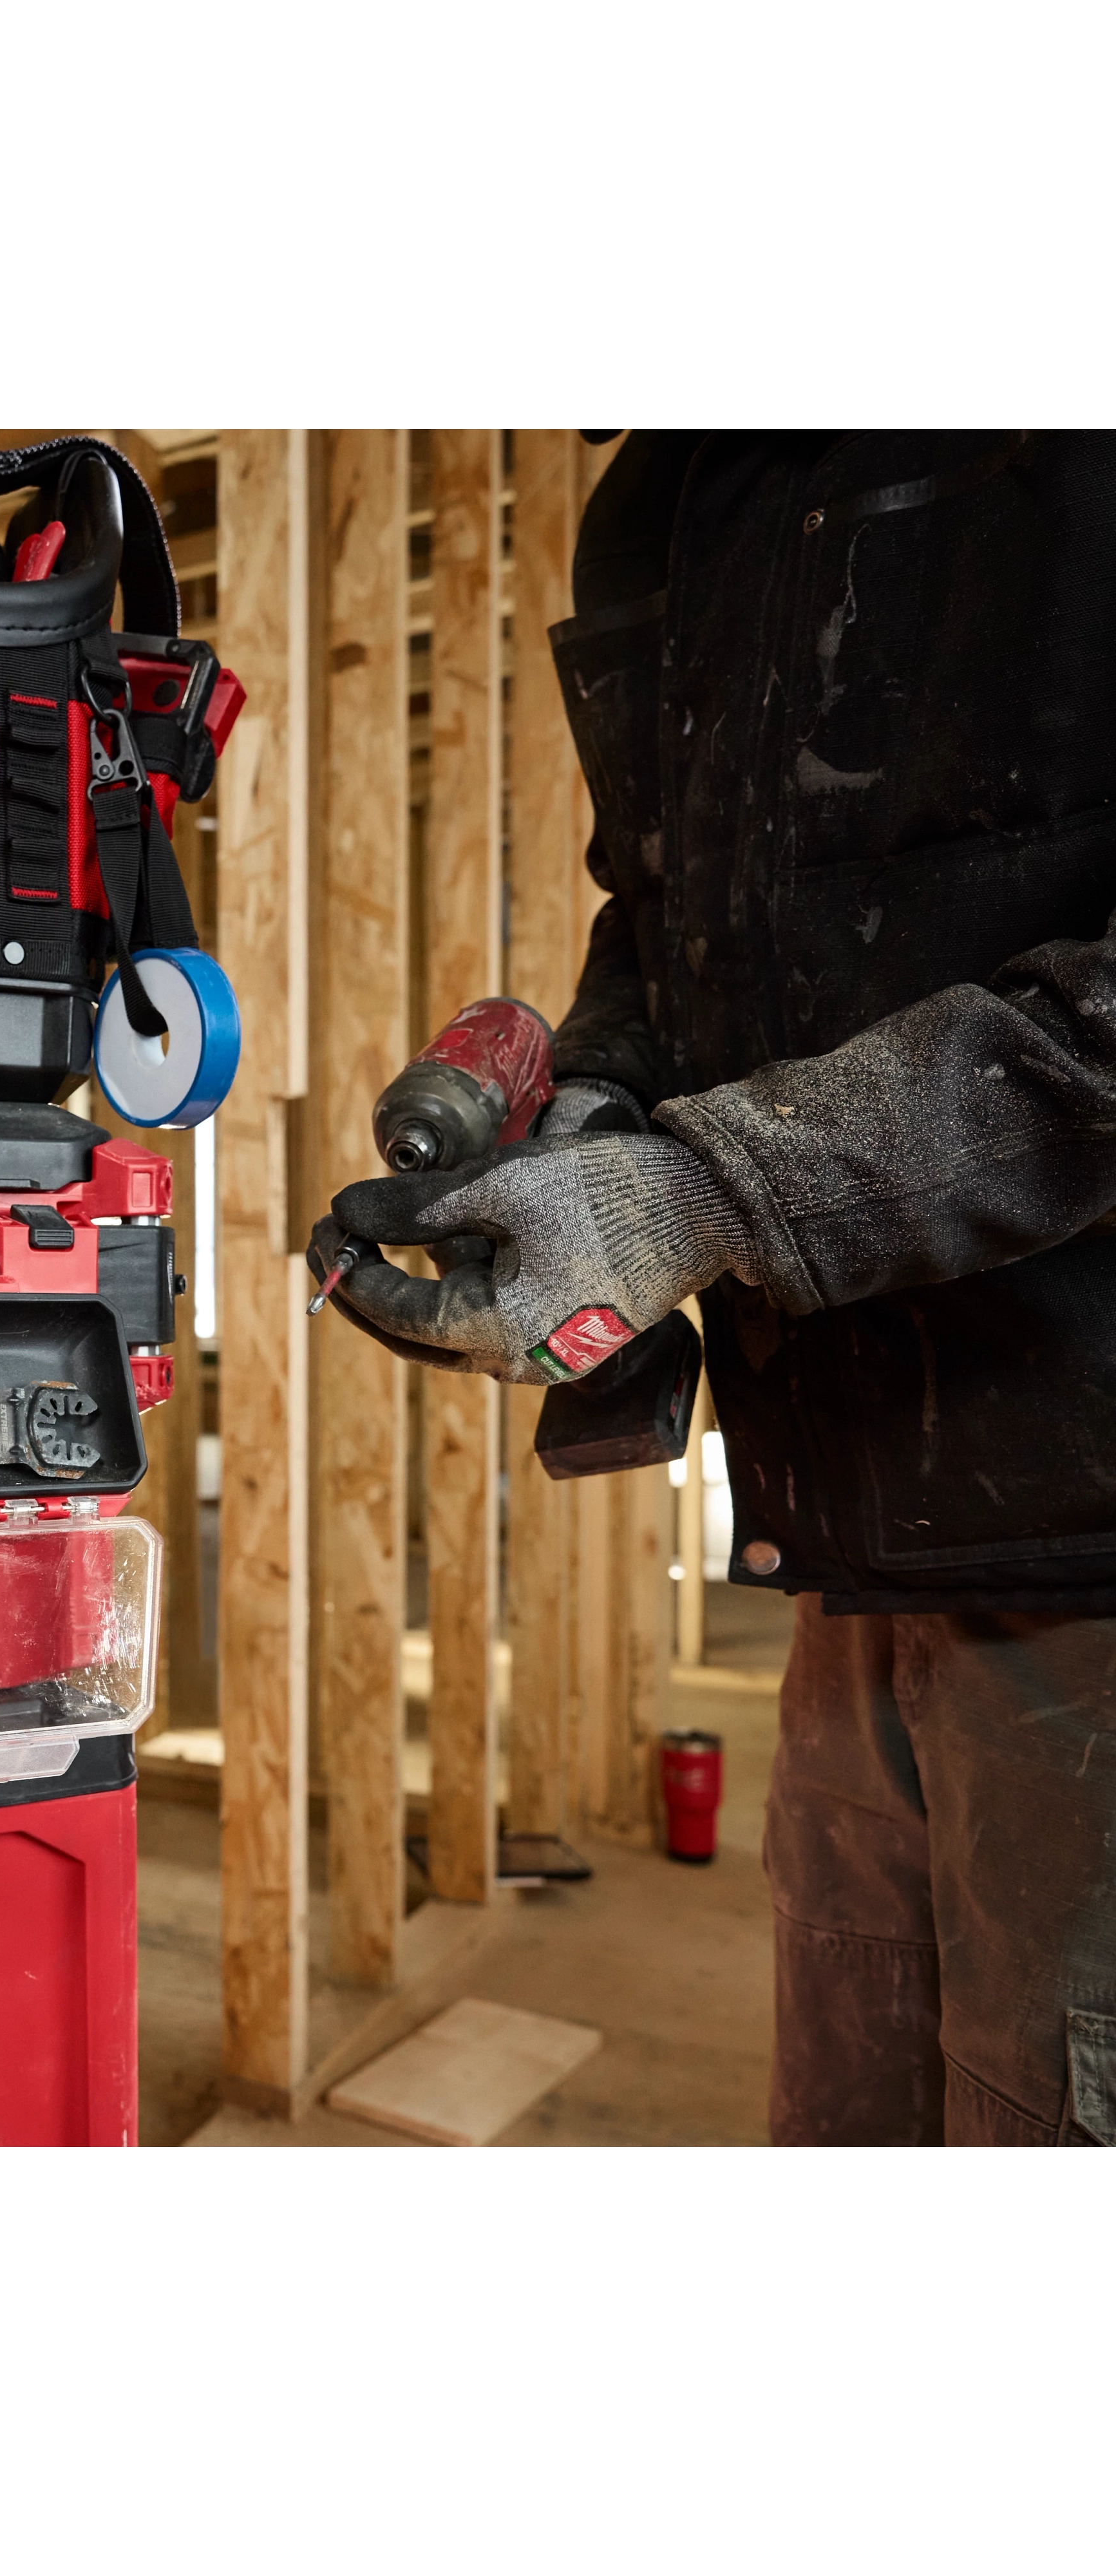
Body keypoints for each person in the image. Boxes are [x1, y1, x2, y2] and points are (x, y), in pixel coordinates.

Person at [311, 428, 1116, 2148]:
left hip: (1098, 1548)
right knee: (853, 2093)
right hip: (862, 1531)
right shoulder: (687, 487)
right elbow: (680, 916)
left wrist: (719, 1184)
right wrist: (599, 1121)